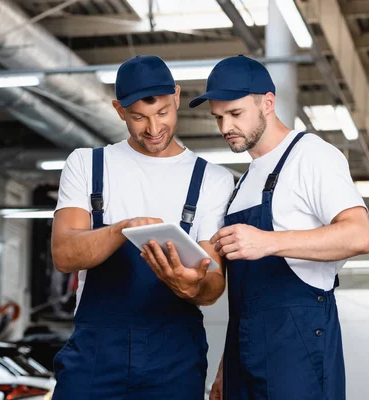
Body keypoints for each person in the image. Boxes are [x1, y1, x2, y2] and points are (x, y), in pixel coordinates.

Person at [189, 55, 369, 400]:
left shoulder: (312, 155)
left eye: (235, 114)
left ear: (268, 103)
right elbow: (244, 303)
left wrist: (269, 242)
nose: (226, 126)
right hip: (244, 355)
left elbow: (359, 234)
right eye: (218, 117)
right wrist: (226, 369)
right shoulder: (243, 183)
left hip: (297, 350)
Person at [51, 55, 234, 399]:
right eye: (138, 117)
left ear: (177, 97)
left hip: (174, 354)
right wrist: (121, 229)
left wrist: (191, 286)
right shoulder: (88, 165)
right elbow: (64, 253)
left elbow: (213, 286)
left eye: (163, 112)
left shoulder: (213, 179)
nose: (153, 129)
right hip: (96, 352)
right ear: (119, 110)